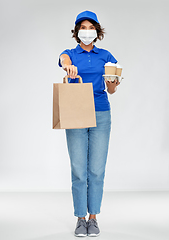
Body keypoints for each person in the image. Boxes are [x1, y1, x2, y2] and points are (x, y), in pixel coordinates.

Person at [58, 10, 120, 237]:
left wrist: (114, 83)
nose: (86, 31)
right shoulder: (70, 54)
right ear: (76, 32)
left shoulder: (106, 55)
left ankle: (93, 218)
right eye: (82, 28)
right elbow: (62, 59)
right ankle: (79, 218)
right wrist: (68, 66)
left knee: (96, 169)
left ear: (97, 30)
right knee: (78, 170)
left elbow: (111, 89)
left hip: (102, 114)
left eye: (90, 27)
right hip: (76, 113)